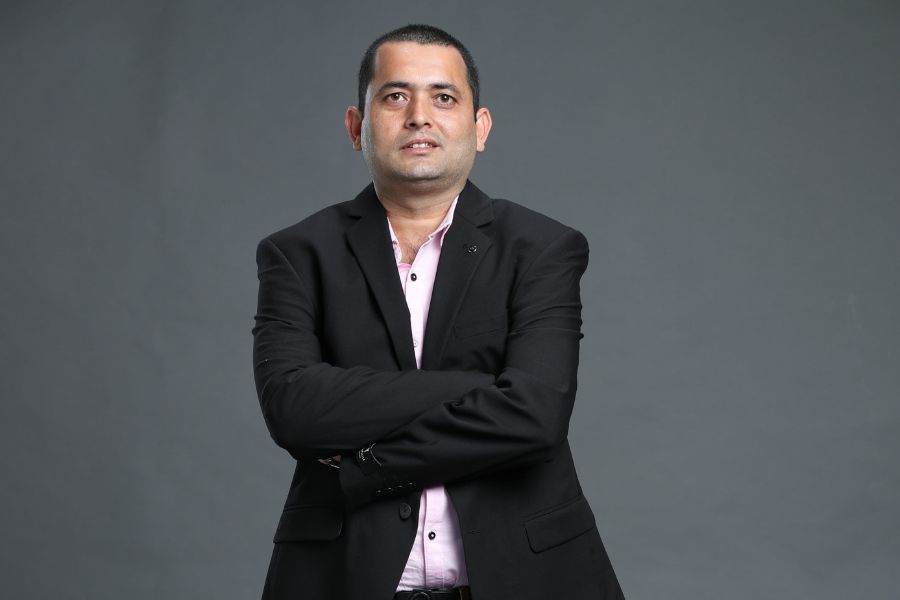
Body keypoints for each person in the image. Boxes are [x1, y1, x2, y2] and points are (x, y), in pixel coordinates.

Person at [252, 24, 625, 600]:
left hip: (527, 578)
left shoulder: (542, 248)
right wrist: (483, 389)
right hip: (342, 579)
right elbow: (292, 409)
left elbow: (536, 416)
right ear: (356, 126)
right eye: (395, 96)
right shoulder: (298, 254)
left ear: (480, 128)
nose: (419, 116)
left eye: (444, 97)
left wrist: (368, 466)